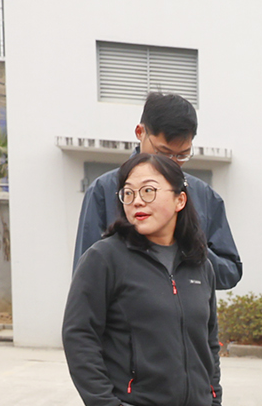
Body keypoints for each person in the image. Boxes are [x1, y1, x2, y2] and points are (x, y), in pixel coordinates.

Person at [64, 153, 224, 406]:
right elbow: (79, 334)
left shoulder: (200, 265)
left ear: (180, 199)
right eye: (128, 193)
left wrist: (213, 401)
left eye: (149, 191)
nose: (137, 201)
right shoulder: (105, 258)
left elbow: (208, 339)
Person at [73, 91, 242, 289]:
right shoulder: (104, 190)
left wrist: (190, 244)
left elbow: (230, 273)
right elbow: (85, 280)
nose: (172, 163)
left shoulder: (204, 195)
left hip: (188, 308)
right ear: (140, 132)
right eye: (163, 153)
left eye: (182, 155)